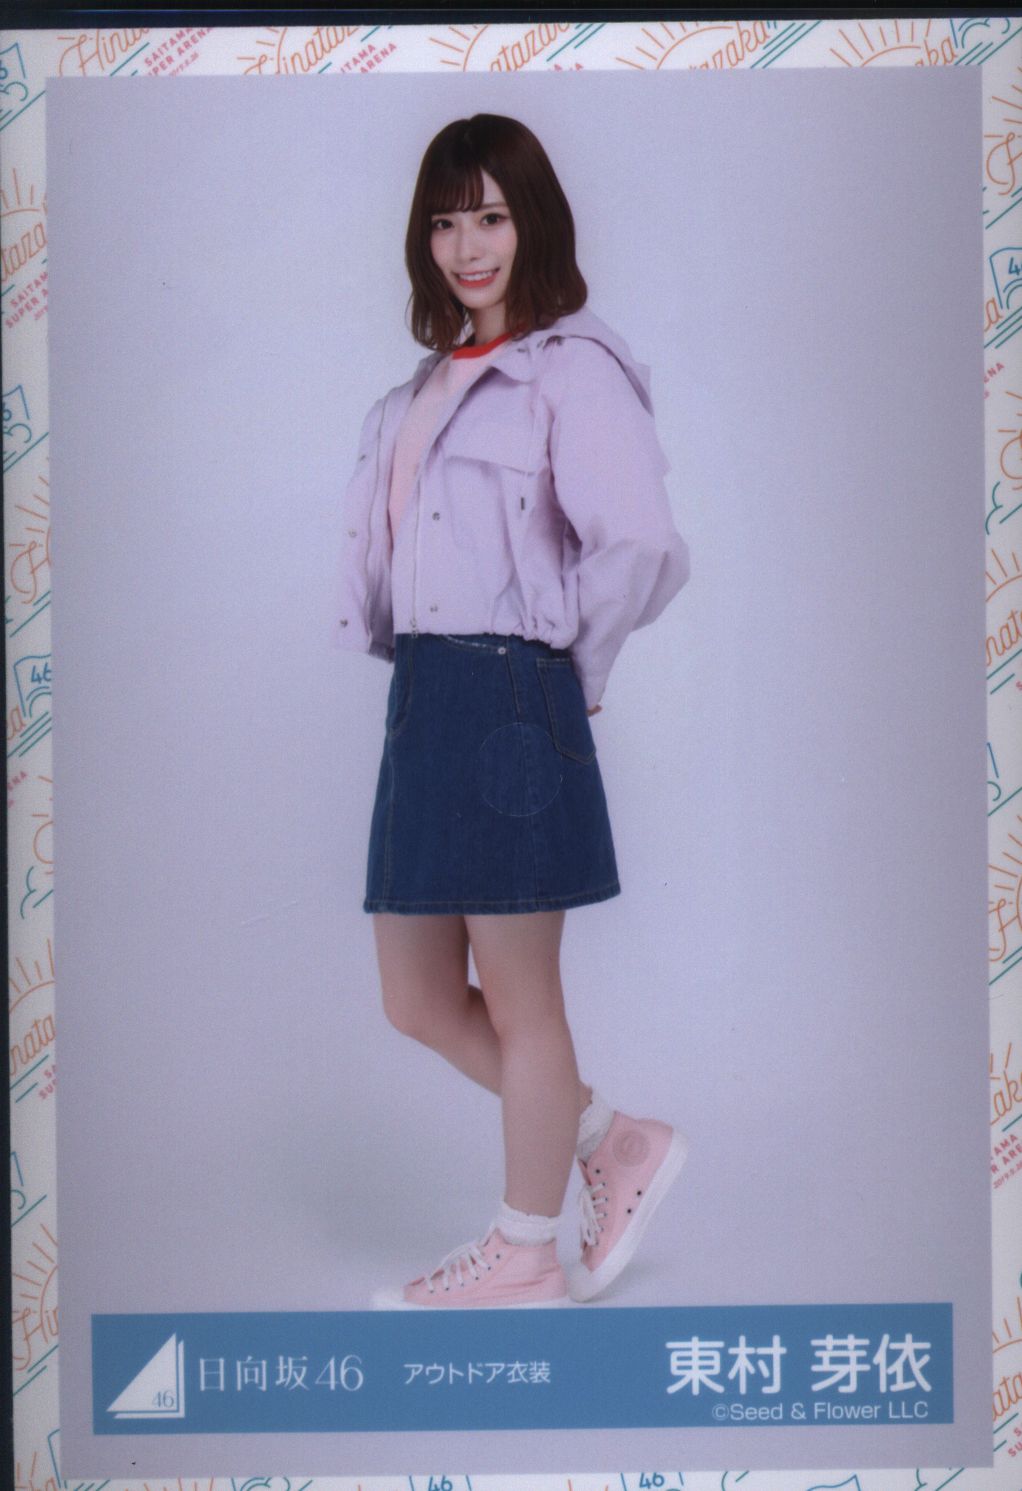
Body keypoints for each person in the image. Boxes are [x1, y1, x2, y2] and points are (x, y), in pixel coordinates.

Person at [333, 113, 691, 1309]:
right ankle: (609, 1141)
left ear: (532, 221)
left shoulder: (571, 370)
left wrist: (562, 675)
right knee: (415, 997)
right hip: (426, 696)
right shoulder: (425, 387)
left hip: (509, 696)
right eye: (444, 222)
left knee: (525, 1001)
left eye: (488, 215)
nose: (467, 245)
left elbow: (640, 541)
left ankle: (525, 1251)